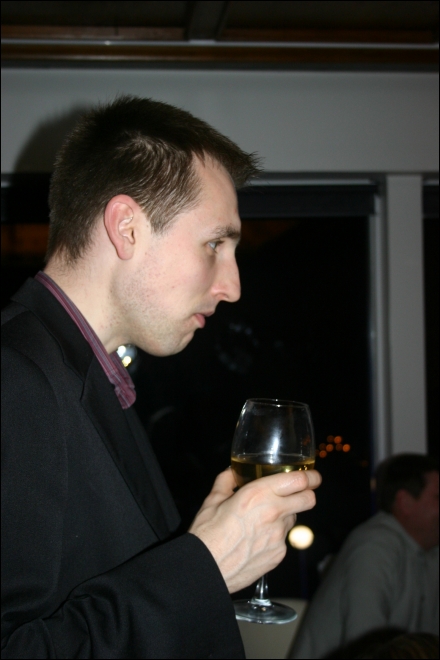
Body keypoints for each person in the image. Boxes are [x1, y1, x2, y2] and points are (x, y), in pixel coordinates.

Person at [1, 95, 321, 659]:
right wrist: (204, 566)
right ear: (126, 228)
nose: (232, 287)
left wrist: (200, 540)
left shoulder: (89, 376)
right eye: (215, 243)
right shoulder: (16, 378)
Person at [291, 454, 439, 659]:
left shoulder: (428, 551)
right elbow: (368, 649)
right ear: (405, 502)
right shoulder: (374, 548)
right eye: (438, 497)